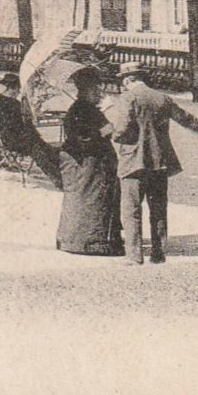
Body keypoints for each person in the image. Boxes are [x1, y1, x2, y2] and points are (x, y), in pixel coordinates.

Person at [104, 61, 198, 265]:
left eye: (123, 80)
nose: (122, 84)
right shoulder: (162, 98)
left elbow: (122, 130)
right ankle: (158, 253)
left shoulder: (127, 98)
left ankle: (134, 255)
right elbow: (186, 119)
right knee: (158, 208)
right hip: (160, 163)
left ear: (128, 79)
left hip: (133, 162)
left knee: (131, 210)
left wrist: (110, 127)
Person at [55, 66, 123, 256]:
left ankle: (79, 239)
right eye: (96, 90)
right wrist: (104, 132)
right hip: (87, 166)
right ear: (86, 90)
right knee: (90, 201)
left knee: (88, 200)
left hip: (91, 165)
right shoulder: (80, 110)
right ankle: (90, 242)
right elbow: (80, 139)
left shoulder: (88, 109)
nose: (99, 94)